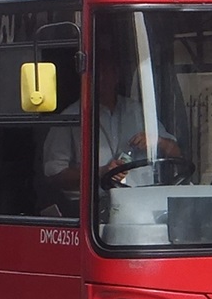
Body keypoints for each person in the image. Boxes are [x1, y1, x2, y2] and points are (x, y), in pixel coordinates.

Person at [42, 51, 181, 210]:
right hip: (92, 212)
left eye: (107, 71)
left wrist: (157, 141)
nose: (102, 78)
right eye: (97, 73)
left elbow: (176, 153)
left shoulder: (137, 111)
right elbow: (54, 176)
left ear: (117, 75)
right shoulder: (70, 118)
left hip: (143, 205)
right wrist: (101, 172)